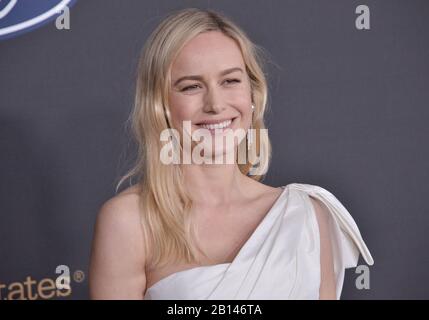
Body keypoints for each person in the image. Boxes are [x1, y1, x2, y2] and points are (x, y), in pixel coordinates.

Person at [88, 8, 374, 300]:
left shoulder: (307, 215)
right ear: (160, 106)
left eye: (230, 81)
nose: (215, 103)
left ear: (253, 95)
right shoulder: (129, 222)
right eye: (191, 86)